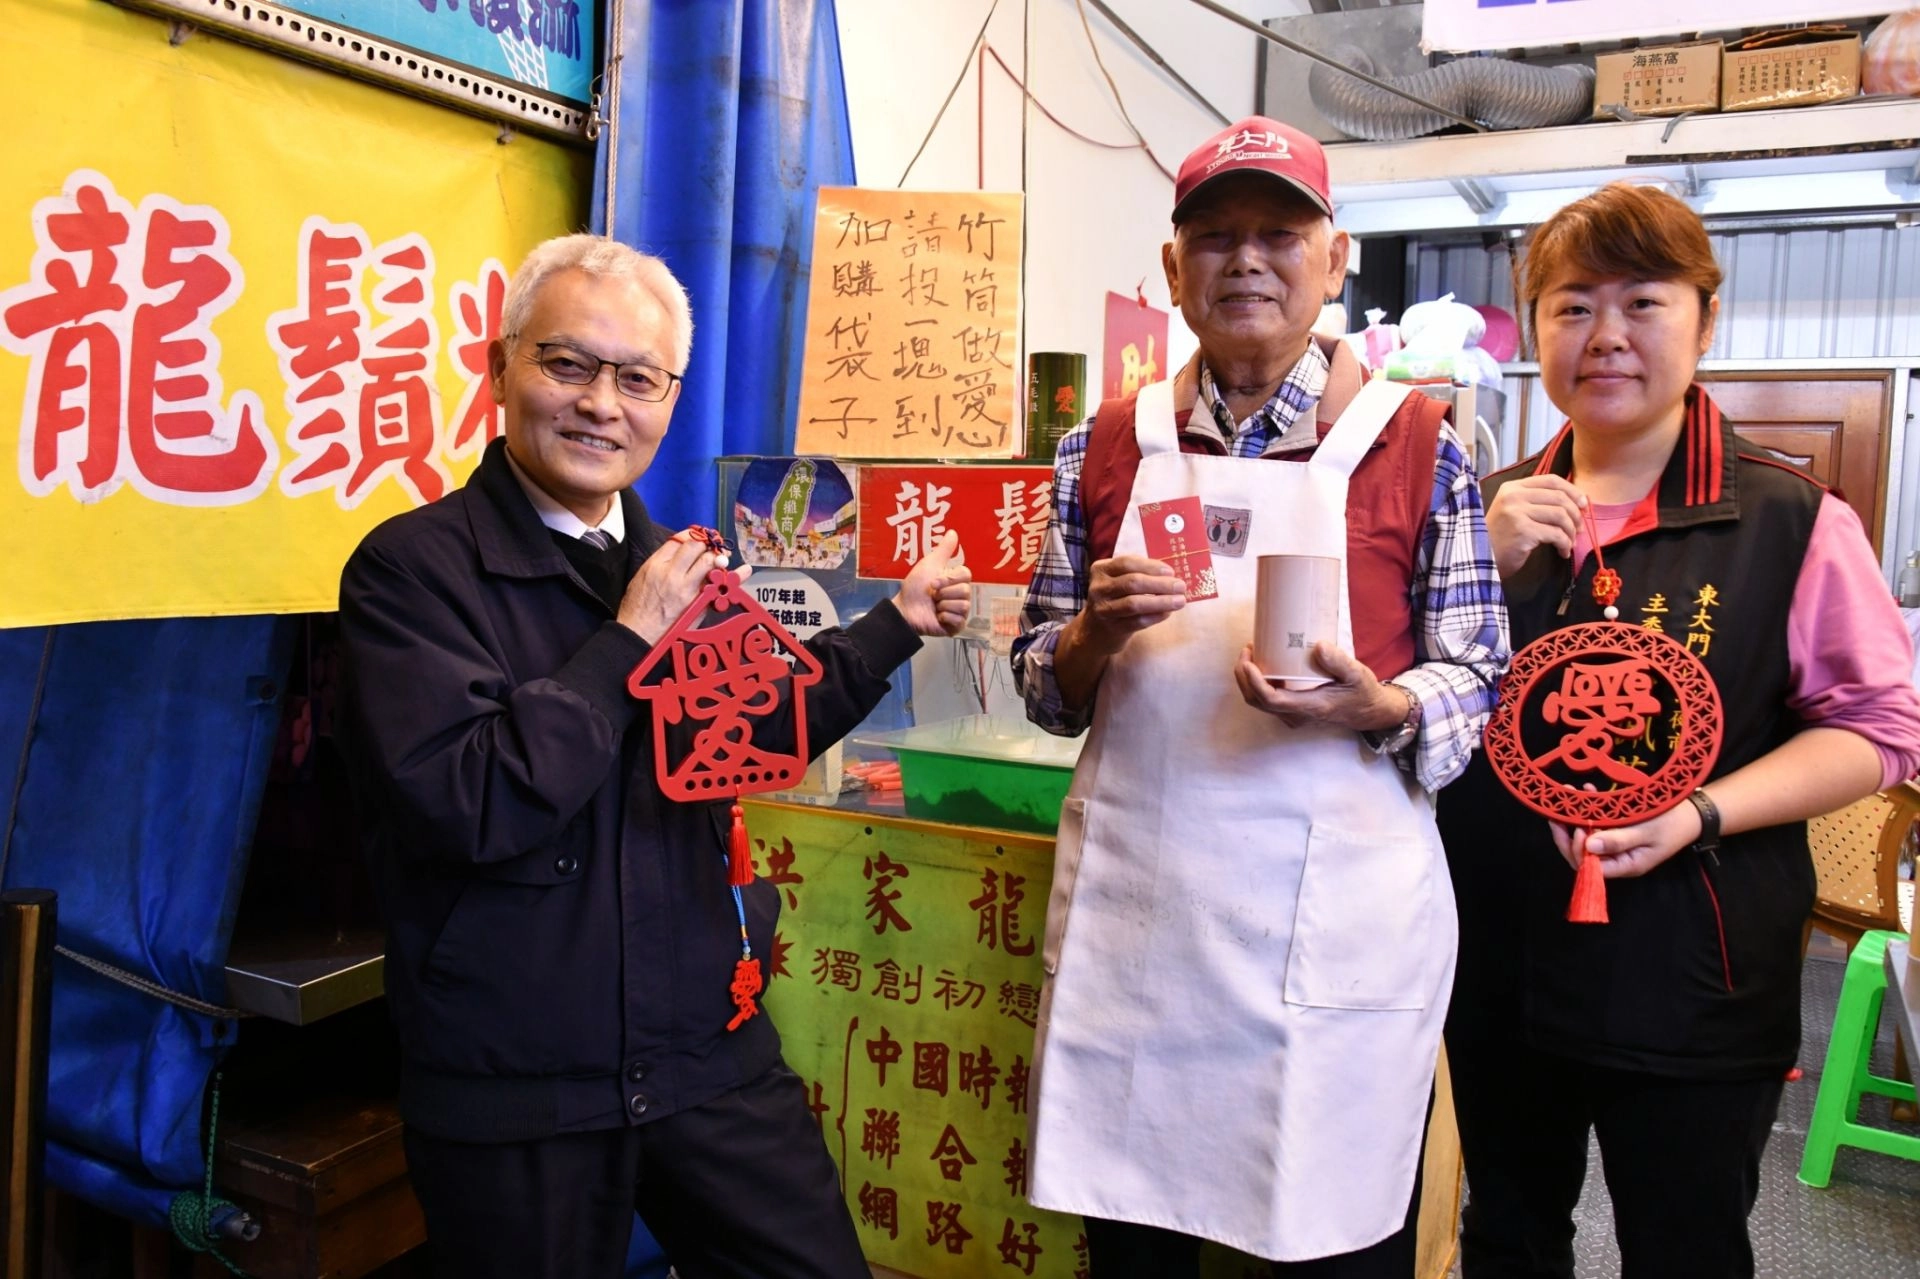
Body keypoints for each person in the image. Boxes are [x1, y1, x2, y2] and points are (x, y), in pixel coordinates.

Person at [336, 233, 971, 1279]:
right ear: (500, 368)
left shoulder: (671, 563)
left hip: (701, 1054)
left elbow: (755, 727)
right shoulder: (411, 572)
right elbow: (473, 800)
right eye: (567, 364)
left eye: (638, 379)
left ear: (669, 400)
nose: (600, 404)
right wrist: (626, 639)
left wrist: (895, 623)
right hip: (517, 1081)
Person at [1010, 117, 1509, 1276]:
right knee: (1132, 1248)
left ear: (1334, 262)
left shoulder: (1419, 443)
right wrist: (1091, 632)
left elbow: (1477, 675)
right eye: (1216, 236)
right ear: (1173, 268)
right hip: (1146, 933)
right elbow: (1042, 682)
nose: (1247, 261)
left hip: (1330, 933)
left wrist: (1375, 706)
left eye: (1279, 235)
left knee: (1334, 1243)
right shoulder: (1102, 448)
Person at [1439, 182, 1920, 1279]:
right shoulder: (1479, 510)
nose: (1604, 335)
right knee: (1506, 1233)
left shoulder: (1793, 519)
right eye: (1571, 307)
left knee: (1687, 1245)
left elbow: (1882, 731)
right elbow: (1404, 696)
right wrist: (1482, 559)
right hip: (1502, 960)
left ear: (1706, 319)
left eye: (1642, 302)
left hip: (1696, 972)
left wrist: (1698, 809)